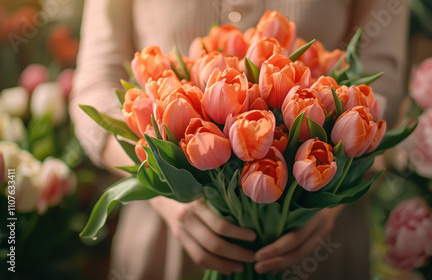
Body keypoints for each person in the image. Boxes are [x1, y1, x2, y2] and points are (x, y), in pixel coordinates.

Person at [70, 0, 409, 279]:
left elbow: (384, 81)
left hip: (318, 238)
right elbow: (95, 88)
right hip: (167, 237)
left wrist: (329, 198)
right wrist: (166, 192)